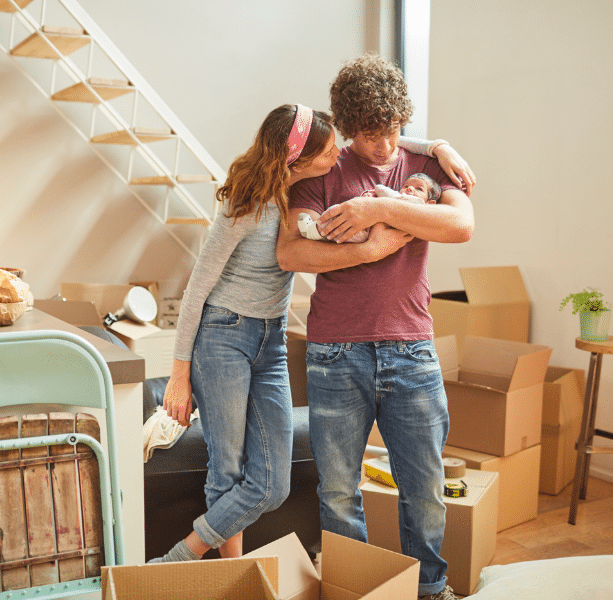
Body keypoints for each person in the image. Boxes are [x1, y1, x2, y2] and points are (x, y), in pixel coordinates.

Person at [156, 102, 473, 564]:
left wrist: (435, 146)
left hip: (273, 341)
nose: (338, 156)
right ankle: (219, 572)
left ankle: (192, 553)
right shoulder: (245, 205)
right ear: (296, 159)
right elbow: (197, 290)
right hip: (224, 334)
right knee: (226, 469)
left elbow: (379, 140)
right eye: (327, 152)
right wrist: (178, 375)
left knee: (273, 483)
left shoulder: (301, 190)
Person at [276, 54, 475, 600]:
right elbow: (291, 253)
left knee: (426, 489)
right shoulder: (323, 171)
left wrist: (371, 206)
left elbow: (460, 224)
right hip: (335, 354)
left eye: (391, 133)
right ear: (346, 128)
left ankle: (431, 589)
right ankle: (352, 589)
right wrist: (376, 242)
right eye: (369, 136)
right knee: (340, 491)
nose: (384, 147)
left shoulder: (426, 167)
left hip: (412, 349)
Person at [298, 171, 441, 243]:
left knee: (341, 225)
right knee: (339, 213)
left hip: (367, 232)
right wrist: (369, 197)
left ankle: (313, 232)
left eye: (419, 189)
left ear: (430, 204)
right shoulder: (400, 199)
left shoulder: (416, 205)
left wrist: (378, 191)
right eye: (406, 185)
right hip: (368, 227)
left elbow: (386, 194)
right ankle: (316, 229)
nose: (410, 189)